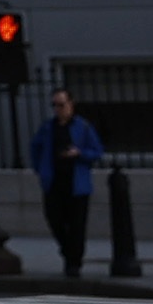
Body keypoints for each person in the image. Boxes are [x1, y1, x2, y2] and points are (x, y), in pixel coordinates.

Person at [35, 83, 109, 283]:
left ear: (71, 104)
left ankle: (73, 262)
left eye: (61, 104)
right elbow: (36, 148)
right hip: (54, 182)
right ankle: (68, 250)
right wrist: (40, 170)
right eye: (54, 105)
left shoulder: (82, 127)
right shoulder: (48, 128)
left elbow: (97, 151)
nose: (58, 109)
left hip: (76, 184)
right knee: (55, 219)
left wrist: (79, 153)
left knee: (77, 225)